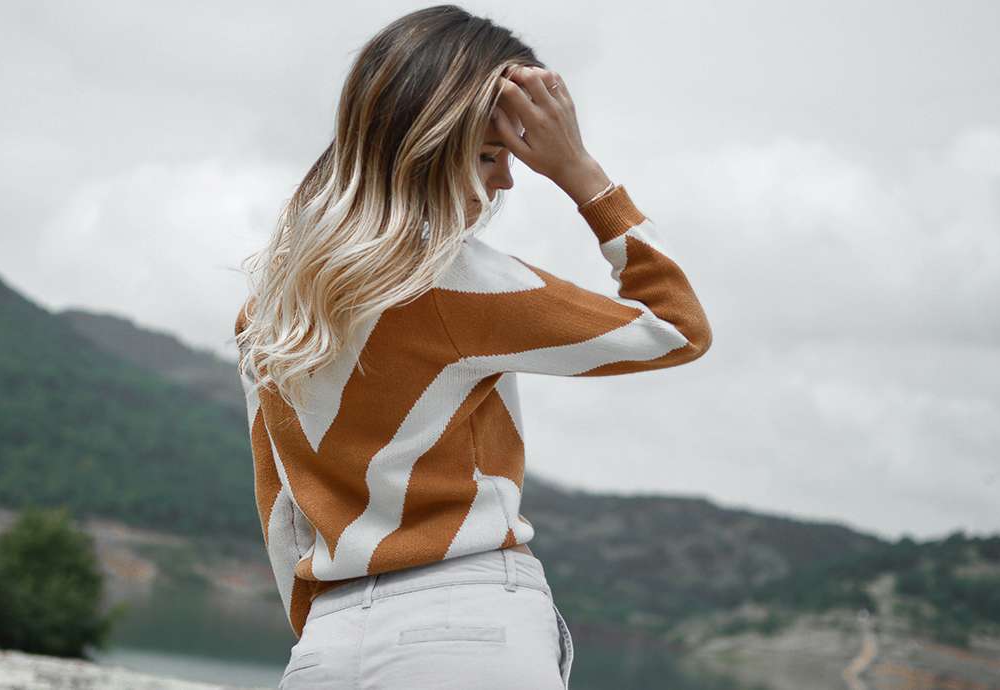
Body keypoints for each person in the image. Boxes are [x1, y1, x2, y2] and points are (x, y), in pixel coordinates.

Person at [233, 5, 712, 689]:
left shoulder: (270, 307)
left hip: (329, 643)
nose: (506, 179)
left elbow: (281, 511)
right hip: (468, 619)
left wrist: (325, 637)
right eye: (489, 154)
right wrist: (582, 175)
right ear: (425, 146)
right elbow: (678, 329)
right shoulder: (461, 284)